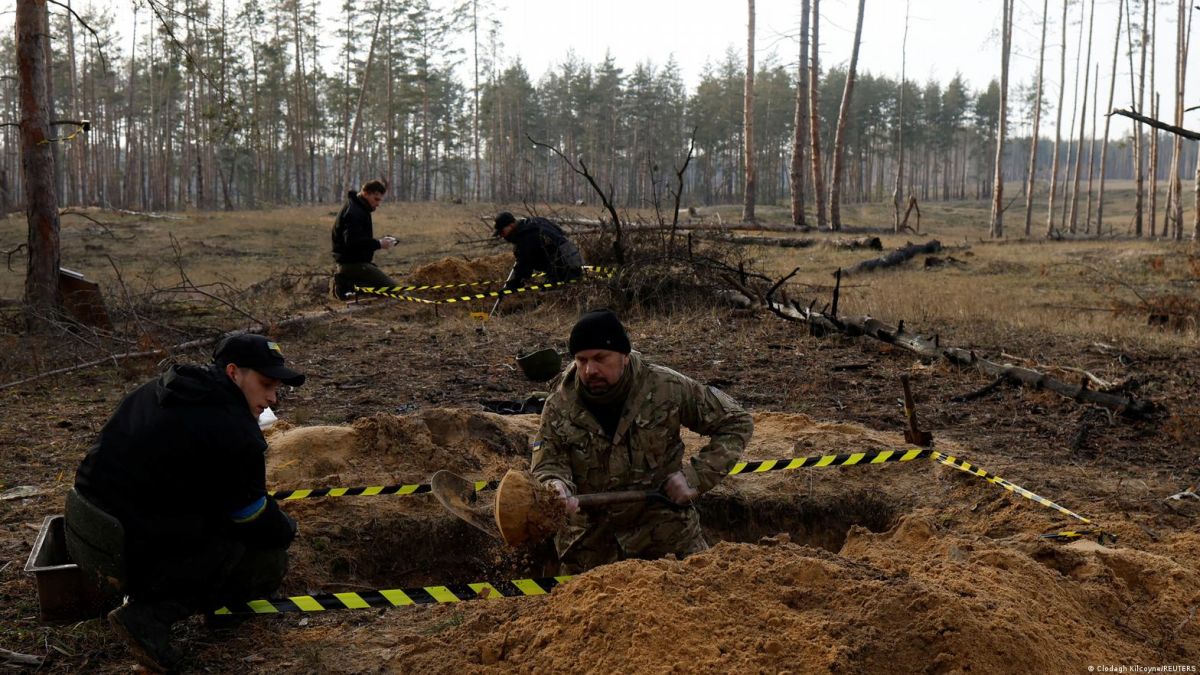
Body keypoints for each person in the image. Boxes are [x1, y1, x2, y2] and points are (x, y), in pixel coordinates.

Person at [70, 334, 306, 672]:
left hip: (85, 522)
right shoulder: (235, 432)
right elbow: (251, 515)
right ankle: (147, 617)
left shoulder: (167, 387)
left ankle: (206, 605)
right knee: (260, 553)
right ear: (233, 372)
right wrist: (286, 529)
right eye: (266, 384)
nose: (272, 399)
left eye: (276, 388)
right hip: (124, 545)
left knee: (214, 520)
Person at [531, 309, 753, 573]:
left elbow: (736, 421)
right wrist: (556, 487)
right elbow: (548, 464)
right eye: (582, 360)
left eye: (601, 358)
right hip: (590, 545)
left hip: (666, 535)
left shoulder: (664, 387)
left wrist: (695, 478)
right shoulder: (559, 404)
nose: (591, 370)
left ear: (624, 356)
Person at [331, 178, 398, 299]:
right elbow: (352, 242)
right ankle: (345, 284)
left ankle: (347, 283)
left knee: (378, 287)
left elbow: (358, 239)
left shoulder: (360, 207)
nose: (378, 204)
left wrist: (379, 243)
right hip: (352, 264)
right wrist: (379, 243)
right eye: (376, 199)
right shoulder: (355, 212)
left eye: (380, 200)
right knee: (394, 290)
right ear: (365, 193)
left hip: (357, 263)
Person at [493, 211, 584, 292]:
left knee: (554, 294)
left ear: (511, 225)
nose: (502, 236)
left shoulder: (526, 236)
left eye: (502, 232)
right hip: (570, 256)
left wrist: (511, 286)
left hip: (565, 263)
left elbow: (524, 267)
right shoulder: (533, 222)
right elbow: (559, 231)